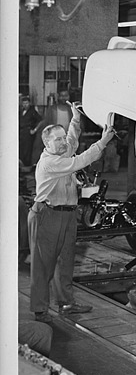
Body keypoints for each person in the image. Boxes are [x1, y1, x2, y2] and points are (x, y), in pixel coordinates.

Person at [29, 101, 115, 323]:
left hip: (67, 214)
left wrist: (76, 117)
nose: (62, 142)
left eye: (61, 137)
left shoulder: (61, 150)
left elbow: (72, 140)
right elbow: (82, 159)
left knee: (65, 261)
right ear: (47, 143)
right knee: (43, 265)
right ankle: (40, 311)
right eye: (57, 140)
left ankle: (66, 303)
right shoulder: (50, 162)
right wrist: (104, 140)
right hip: (47, 214)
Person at [31, 89, 74, 164]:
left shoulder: (72, 109)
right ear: (58, 97)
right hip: (55, 140)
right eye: (62, 96)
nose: (64, 98)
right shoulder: (52, 109)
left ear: (69, 97)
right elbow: (46, 123)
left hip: (68, 139)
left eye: (66, 96)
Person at [19, 95, 42, 168]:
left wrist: (34, 130)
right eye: (24, 103)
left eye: (26, 103)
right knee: (21, 149)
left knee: (27, 150)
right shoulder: (21, 111)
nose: (25, 105)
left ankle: (27, 167)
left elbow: (40, 121)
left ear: (29, 103)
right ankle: (22, 166)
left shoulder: (32, 111)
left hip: (28, 133)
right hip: (21, 133)